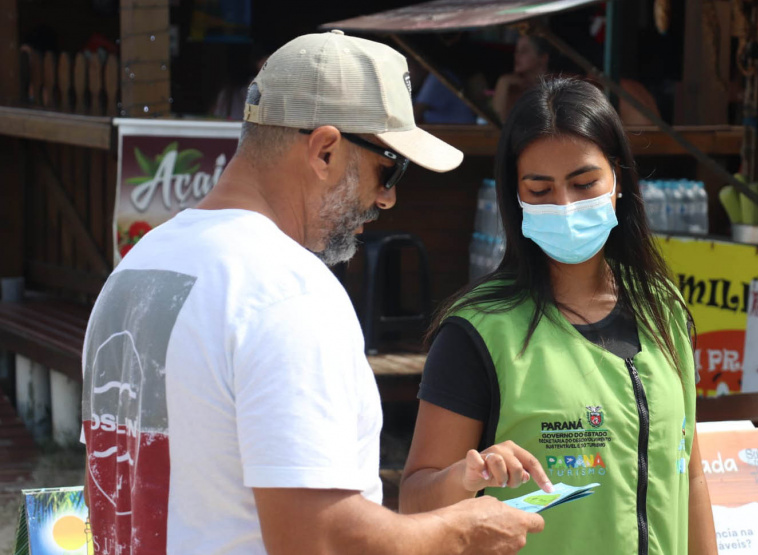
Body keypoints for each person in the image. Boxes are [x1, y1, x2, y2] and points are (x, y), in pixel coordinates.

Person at [81, 31, 544, 555]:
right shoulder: (288, 292)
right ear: (325, 150)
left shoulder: (139, 267)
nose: (388, 198)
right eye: (388, 170)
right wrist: (463, 530)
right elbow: (318, 539)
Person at [400, 77, 718, 554]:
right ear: (516, 198)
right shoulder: (478, 333)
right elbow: (413, 502)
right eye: (540, 189)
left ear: (618, 180)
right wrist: (465, 476)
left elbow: (689, 475)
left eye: (584, 183)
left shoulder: (663, 308)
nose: (565, 206)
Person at [492, 35, 550, 123]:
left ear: (543, 58)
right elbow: (496, 123)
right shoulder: (510, 86)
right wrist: (502, 84)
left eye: (524, 51)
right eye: (516, 51)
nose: (517, 55)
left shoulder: (556, 85)